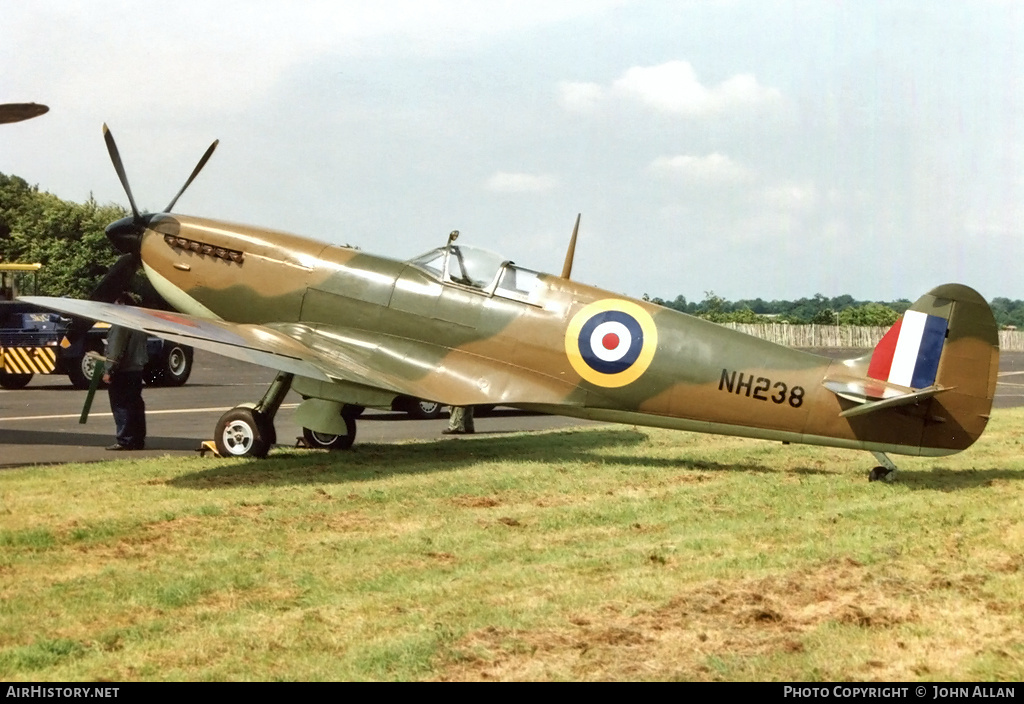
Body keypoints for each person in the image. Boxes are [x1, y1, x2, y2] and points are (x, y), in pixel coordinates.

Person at [103, 293, 149, 450]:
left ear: (120, 303)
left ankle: (125, 439)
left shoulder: (121, 322)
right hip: (136, 368)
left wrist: (109, 370)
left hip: (123, 370)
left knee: (121, 405)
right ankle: (137, 439)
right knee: (135, 404)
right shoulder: (137, 322)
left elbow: (116, 349)